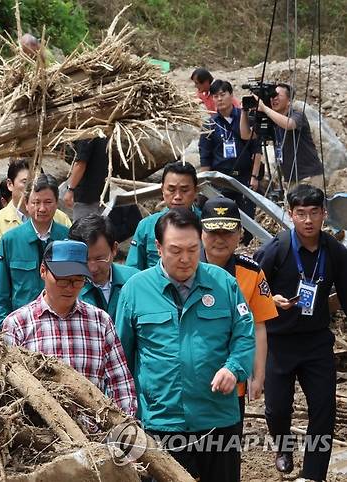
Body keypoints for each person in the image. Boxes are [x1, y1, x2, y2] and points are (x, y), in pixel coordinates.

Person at [115, 208, 255, 482]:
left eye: (192, 249)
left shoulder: (223, 283)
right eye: (176, 250)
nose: (185, 259)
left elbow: (244, 335)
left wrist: (233, 368)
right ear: (158, 247)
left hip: (217, 419)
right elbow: (121, 355)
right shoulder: (135, 289)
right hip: (161, 421)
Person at [254, 184, 347, 481]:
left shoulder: (334, 251)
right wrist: (271, 301)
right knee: (277, 408)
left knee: (323, 408)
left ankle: (313, 474)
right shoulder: (275, 250)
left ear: (323, 214)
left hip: (317, 341)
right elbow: (250, 290)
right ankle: (283, 448)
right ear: (291, 215)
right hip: (279, 342)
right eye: (301, 214)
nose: (308, 221)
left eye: (314, 213)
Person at [3, 240, 137, 416]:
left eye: (77, 280)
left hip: (94, 435)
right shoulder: (18, 324)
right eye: (62, 280)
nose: (70, 287)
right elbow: (8, 390)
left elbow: (120, 383)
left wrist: (123, 429)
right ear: (43, 271)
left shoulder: (100, 322)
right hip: (37, 436)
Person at [200, 197, 277, 435]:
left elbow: (259, 326)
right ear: (200, 232)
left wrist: (259, 375)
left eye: (227, 232)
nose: (220, 239)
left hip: (234, 379)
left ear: (240, 233)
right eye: (213, 232)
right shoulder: (184, 269)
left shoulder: (251, 273)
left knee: (227, 446)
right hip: (192, 376)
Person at [0, 159, 71, 324]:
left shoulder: (62, 223)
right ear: (10, 184)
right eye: (26, 182)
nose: (42, 208)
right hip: (18, 318)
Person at [0, 174, 69, 327]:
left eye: (48, 202)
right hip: (21, 326)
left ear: (56, 204)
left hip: (61, 324)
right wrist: (3, 327)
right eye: (35, 202)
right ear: (26, 204)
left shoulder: (67, 238)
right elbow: (0, 294)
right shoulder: (10, 240)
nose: (42, 208)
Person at [199, 80, 261, 244]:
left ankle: (247, 244)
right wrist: (206, 182)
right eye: (215, 96)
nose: (219, 99)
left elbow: (256, 149)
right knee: (219, 214)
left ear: (231, 95)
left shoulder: (244, 117)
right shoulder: (210, 124)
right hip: (220, 178)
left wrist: (254, 176)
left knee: (248, 216)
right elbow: (205, 156)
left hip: (245, 176)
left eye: (223, 94)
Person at [240, 83, 324, 187]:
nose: (274, 99)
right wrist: (244, 111)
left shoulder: (297, 115)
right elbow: (246, 135)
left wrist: (265, 108)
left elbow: (288, 124)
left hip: (308, 176)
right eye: (272, 97)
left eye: (278, 96)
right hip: (290, 179)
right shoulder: (272, 121)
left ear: (289, 100)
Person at [126, 161, 199, 270]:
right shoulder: (146, 226)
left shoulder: (206, 223)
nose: (178, 196)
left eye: (184, 190)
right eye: (171, 190)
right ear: (162, 190)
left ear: (196, 191)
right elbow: (132, 270)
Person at [68, 214, 138, 321]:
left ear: (114, 249)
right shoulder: (66, 288)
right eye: (84, 260)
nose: (92, 268)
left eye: (99, 258)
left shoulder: (135, 281)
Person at [63, 137, 109, 221]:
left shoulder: (88, 135)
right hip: (101, 193)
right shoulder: (103, 134)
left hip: (85, 197)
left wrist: (70, 189)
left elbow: (80, 163)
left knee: (81, 231)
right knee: (99, 229)